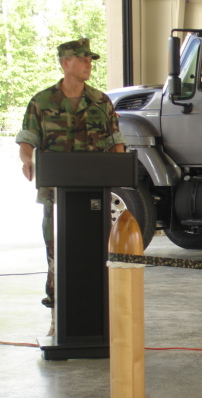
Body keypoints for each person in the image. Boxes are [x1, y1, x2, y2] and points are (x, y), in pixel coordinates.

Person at [16, 38, 126, 335]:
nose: (89, 64)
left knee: (97, 254)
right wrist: (29, 161)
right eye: (83, 59)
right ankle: (58, 316)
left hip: (95, 197)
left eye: (90, 59)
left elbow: (116, 143)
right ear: (66, 63)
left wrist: (118, 173)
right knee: (57, 256)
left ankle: (98, 319)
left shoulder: (101, 102)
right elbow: (27, 141)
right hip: (56, 197)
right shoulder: (41, 102)